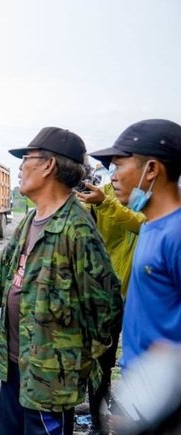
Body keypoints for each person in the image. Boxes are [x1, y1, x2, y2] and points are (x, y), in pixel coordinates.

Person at [0, 127, 123, 435]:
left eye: (26, 158)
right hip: (16, 367)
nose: (19, 167)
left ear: (48, 165)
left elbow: (106, 305)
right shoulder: (31, 219)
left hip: (51, 381)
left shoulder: (77, 228)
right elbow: (1, 270)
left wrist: (75, 360)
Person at [89, 119, 181, 372]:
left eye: (118, 165)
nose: (113, 177)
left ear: (151, 169)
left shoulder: (175, 234)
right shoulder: (150, 226)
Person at [76, 169, 145, 434]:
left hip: (137, 297)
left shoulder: (143, 199)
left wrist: (104, 203)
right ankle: (98, 422)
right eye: (112, 168)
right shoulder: (100, 194)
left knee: (137, 362)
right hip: (104, 297)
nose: (115, 176)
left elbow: (140, 222)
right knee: (99, 364)